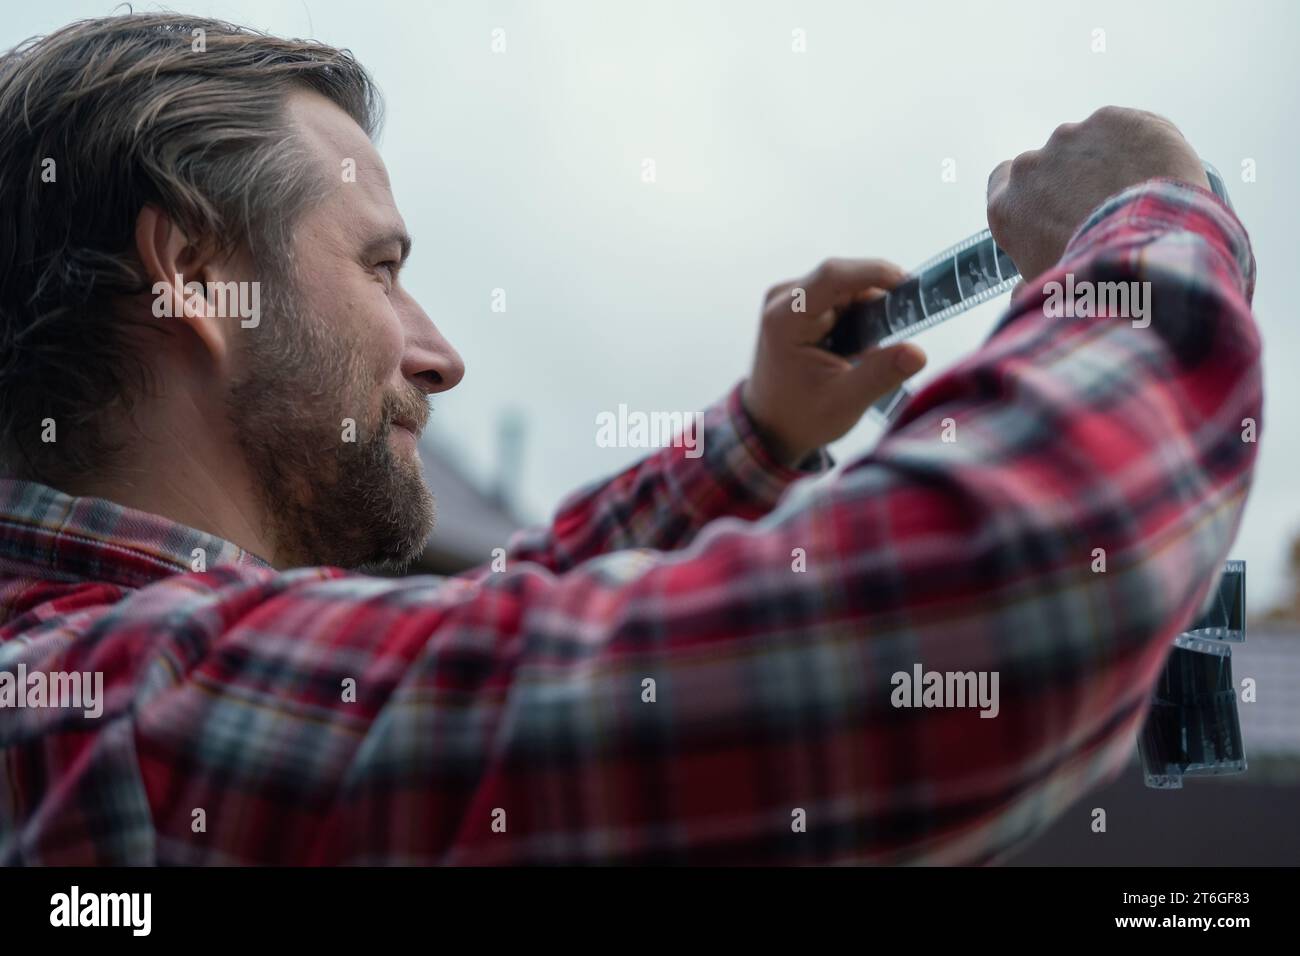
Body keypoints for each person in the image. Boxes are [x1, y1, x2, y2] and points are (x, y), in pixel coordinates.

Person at [0, 15, 1260, 865]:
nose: (438, 353)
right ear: (198, 278)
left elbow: (476, 651)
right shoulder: (115, 710)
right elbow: (984, 608)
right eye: (379, 267)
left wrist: (755, 442)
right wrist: (1145, 232)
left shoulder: (89, 675)